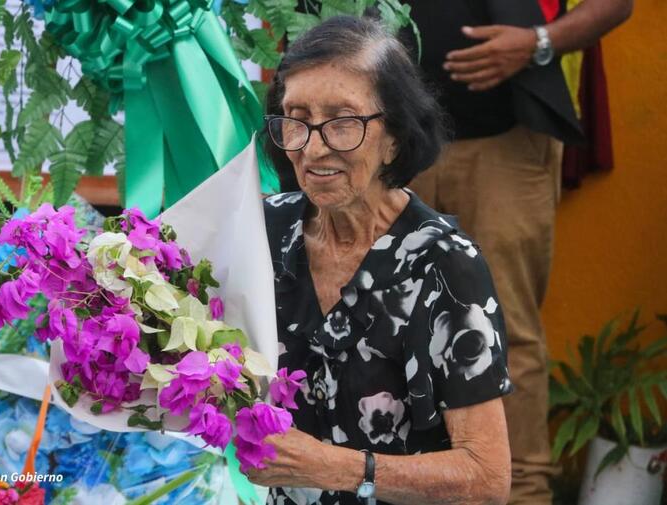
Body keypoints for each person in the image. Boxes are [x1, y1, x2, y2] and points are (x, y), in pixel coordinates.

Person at [250, 16, 512, 505]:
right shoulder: (263, 232)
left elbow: (487, 478)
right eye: (296, 119)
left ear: (394, 136)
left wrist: (338, 468)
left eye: (342, 122)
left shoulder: (446, 267)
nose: (313, 147)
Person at [403, 1, 632, 502]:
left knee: (506, 333)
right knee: (385, 324)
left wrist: (537, 43)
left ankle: (524, 491)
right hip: (391, 140)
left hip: (505, 142)